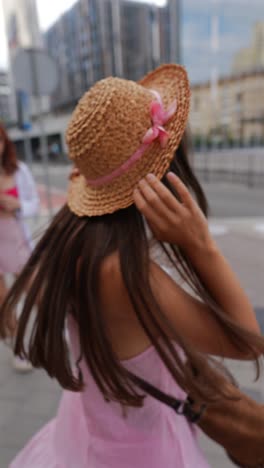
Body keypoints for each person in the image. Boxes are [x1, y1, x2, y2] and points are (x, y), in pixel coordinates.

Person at [1, 64, 264, 468]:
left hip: (82, 433)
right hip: (139, 451)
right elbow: (247, 342)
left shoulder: (71, 239)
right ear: (168, 171)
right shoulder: (124, 273)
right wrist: (201, 245)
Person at [0, 124, 39, 372]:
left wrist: (18, 204)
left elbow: (34, 202)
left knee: (36, 291)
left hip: (17, 240)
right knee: (3, 303)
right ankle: (18, 348)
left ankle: (55, 331)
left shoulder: (19, 170)